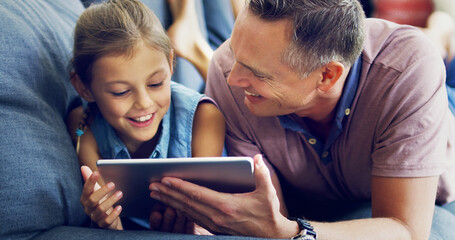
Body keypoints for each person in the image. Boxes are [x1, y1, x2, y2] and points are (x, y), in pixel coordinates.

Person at [149, 0, 455, 239]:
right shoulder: (227, 70)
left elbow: (406, 229)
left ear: (327, 75)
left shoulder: (406, 69)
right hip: (316, 204)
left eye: (257, 73)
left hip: (431, 185)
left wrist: (292, 232)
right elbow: (267, 219)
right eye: (236, 56)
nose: (234, 79)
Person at [66, 0, 225, 232]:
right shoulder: (83, 126)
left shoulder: (205, 116)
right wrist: (104, 220)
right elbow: (111, 224)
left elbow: (208, 218)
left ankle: (192, 37)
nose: (144, 103)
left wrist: (195, 228)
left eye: (155, 83)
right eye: (121, 92)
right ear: (84, 88)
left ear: (170, 64)